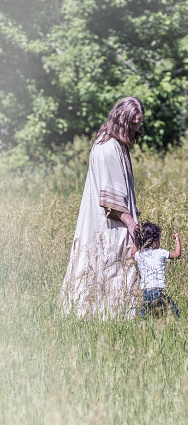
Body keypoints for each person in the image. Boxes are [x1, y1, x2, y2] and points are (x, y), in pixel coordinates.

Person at [59, 97, 144, 318]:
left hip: (112, 219)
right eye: (134, 123)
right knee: (114, 264)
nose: (137, 128)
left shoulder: (112, 143)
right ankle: (112, 317)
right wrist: (132, 225)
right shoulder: (109, 148)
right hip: (111, 222)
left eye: (139, 123)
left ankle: (99, 315)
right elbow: (111, 196)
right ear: (123, 120)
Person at [131, 221, 181, 318]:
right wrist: (177, 240)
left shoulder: (140, 254)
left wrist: (136, 241)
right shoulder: (161, 252)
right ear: (155, 241)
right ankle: (175, 324)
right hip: (159, 290)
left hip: (144, 291)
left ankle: (144, 328)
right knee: (173, 311)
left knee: (144, 314)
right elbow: (177, 255)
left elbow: (132, 254)